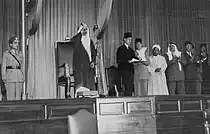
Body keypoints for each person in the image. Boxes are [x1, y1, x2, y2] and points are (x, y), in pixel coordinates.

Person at [72, 23, 97, 91]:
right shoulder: (77, 41)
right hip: (80, 67)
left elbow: (94, 53)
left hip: (89, 66)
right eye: (83, 29)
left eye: (86, 29)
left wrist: (93, 62)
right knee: (81, 85)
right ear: (80, 31)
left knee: (90, 85)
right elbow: (74, 41)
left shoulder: (90, 41)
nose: (85, 31)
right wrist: (80, 34)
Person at [116, 32, 137, 96]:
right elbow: (119, 60)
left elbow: (134, 58)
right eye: (128, 39)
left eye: (131, 40)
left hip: (130, 70)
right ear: (124, 39)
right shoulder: (120, 49)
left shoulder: (131, 50)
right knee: (127, 87)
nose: (130, 41)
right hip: (124, 70)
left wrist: (138, 59)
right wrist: (128, 61)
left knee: (130, 87)